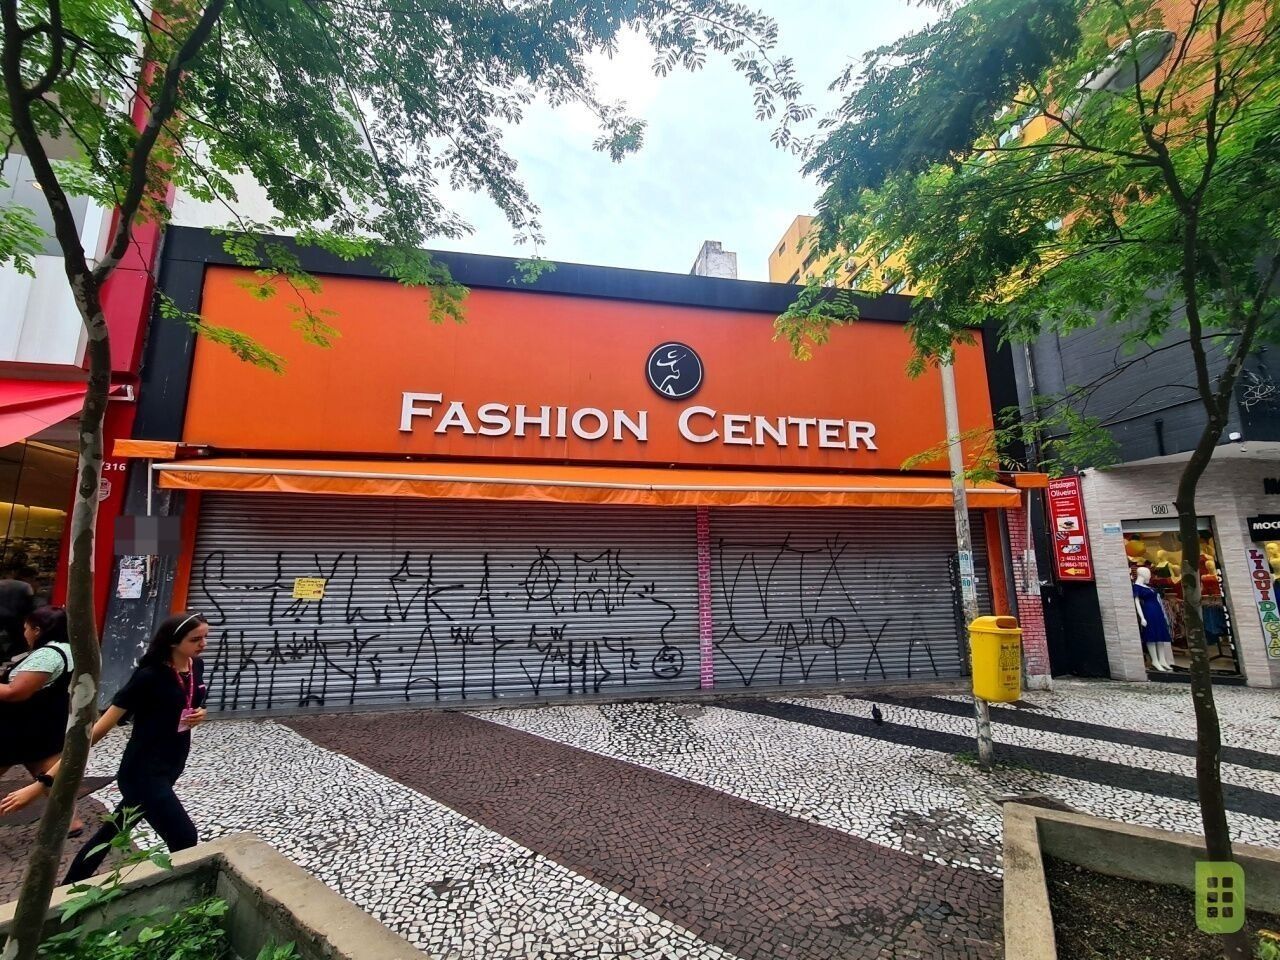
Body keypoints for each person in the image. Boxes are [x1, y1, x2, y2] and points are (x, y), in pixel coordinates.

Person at [0, 612, 210, 883]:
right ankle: (188, 892)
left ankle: (70, 885)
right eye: (195, 639)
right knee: (184, 836)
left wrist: (200, 713)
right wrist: (42, 784)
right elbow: (96, 732)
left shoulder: (195, 665)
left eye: (205, 637)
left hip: (172, 765)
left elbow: (192, 701)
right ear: (173, 641)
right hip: (143, 772)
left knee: (109, 834)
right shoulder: (149, 676)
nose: (203, 643)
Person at [0, 606, 83, 835]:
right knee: (47, 769)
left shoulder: (49, 655)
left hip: (22, 725)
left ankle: (69, 821)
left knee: (45, 767)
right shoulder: (68, 649)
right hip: (44, 723)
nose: (24, 633)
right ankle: (69, 821)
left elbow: (16, 692)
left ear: (37, 630)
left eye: (26, 628)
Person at [0, 566, 36, 660]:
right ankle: (12, 656)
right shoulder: (26, 586)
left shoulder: (1, 583)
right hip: (15, 616)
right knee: (18, 639)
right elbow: (30, 602)